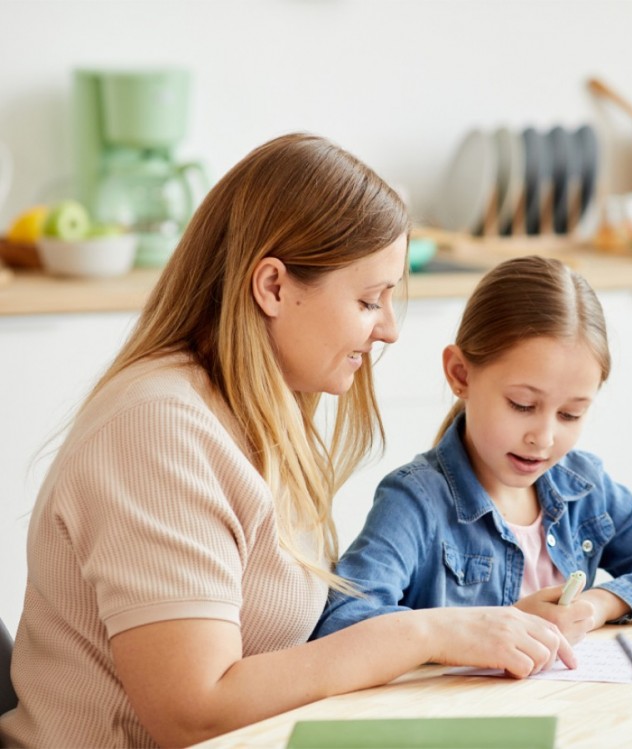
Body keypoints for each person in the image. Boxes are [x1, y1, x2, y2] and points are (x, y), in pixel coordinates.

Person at [0, 135, 574, 749]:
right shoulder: (158, 430)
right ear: (272, 286)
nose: (388, 329)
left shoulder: (256, 415)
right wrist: (425, 634)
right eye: (367, 299)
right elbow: (193, 712)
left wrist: (464, 627)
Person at [314, 255, 632, 644]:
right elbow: (343, 622)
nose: (544, 437)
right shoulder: (417, 501)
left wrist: (600, 604)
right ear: (460, 373)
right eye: (522, 405)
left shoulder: (583, 489)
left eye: (571, 415)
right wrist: (479, 631)